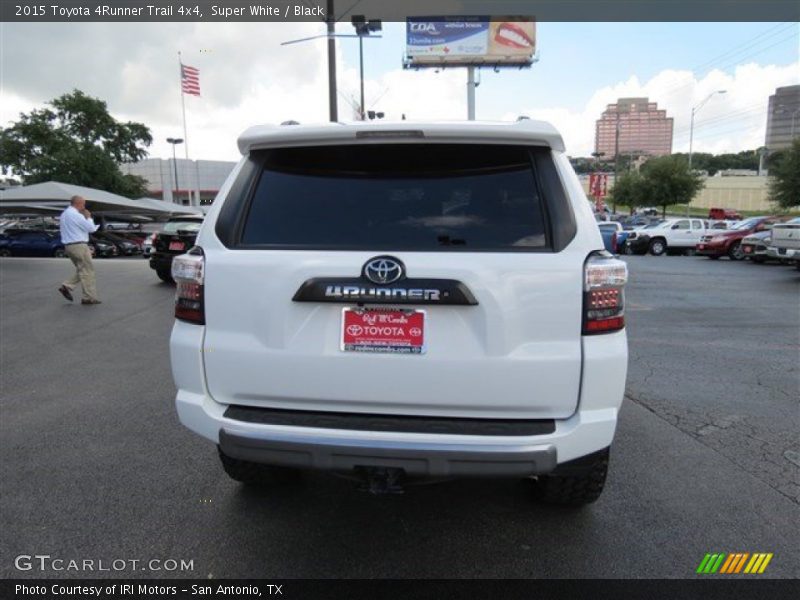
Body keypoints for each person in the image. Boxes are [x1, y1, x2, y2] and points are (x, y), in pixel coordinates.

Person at [58, 195, 101, 305]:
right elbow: (91, 229)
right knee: (87, 271)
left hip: (69, 246)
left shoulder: (64, 214)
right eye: (83, 204)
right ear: (78, 203)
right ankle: (88, 297)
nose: (84, 206)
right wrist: (88, 217)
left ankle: (67, 286)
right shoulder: (76, 215)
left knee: (82, 270)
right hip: (79, 245)